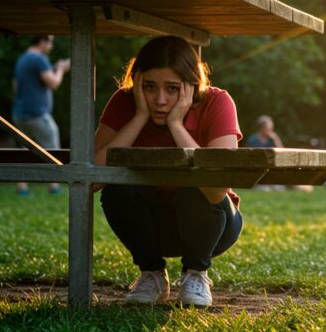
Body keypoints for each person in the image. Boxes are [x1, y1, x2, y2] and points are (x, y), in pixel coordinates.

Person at [93, 36, 243, 307]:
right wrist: (139, 117)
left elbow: (216, 188)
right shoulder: (125, 103)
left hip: (213, 225)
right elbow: (90, 180)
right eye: (150, 87)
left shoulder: (217, 102)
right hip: (151, 227)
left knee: (195, 187)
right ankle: (151, 274)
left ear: (191, 85)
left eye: (172, 89)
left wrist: (177, 125)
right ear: (137, 82)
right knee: (118, 188)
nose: (160, 100)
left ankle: (196, 273)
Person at [12, 35, 71, 196]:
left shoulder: (22, 59)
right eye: (50, 42)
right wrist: (60, 69)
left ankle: (22, 188)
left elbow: (16, 87)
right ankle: (54, 186)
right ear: (42, 41)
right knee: (52, 148)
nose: (51, 46)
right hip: (37, 114)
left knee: (24, 150)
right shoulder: (39, 59)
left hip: (20, 113)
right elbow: (53, 83)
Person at [244, 115, 312, 192]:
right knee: (267, 189)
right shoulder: (253, 140)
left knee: (280, 186)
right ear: (261, 128)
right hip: (258, 171)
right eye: (268, 128)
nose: (270, 130)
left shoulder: (272, 140)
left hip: (271, 170)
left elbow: (282, 154)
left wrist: (276, 139)